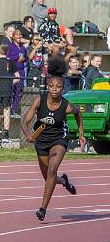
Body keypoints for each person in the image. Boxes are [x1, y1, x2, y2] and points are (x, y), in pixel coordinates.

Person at [21, 57, 85, 221]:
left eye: (58, 87)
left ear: (63, 89)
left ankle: (42, 209)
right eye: (51, 86)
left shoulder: (66, 105)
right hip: (41, 141)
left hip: (59, 139)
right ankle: (64, 181)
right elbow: (25, 121)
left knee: (51, 170)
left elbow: (78, 113)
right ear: (47, 87)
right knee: (50, 178)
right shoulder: (39, 101)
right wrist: (28, 135)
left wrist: (81, 133)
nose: (55, 89)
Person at [0, 45, 19, 141]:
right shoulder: (11, 62)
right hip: (7, 88)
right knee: (7, 110)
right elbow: (17, 77)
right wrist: (10, 82)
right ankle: (6, 134)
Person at [7, 28, 28, 113]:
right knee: (11, 89)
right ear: (13, 36)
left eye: (20, 34)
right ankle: (8, 108)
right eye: (17, 34)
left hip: (21, 71)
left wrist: (23, 58)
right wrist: (17, 58)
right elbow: (8, 57)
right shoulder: (10, 46)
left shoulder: (22, 47)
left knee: (19, 91)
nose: (19, 36)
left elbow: (26, 57)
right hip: (13, 71)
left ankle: (15, 108)